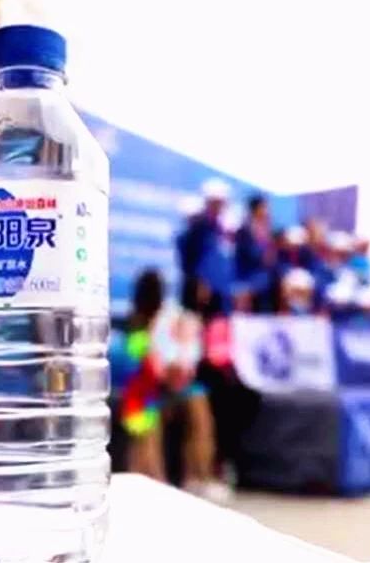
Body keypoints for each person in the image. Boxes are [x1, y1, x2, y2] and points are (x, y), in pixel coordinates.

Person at [119, 270, 229, 501]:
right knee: (146, 416)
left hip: (168, 386)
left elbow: (177, 359)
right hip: (140, 391)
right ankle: (153, 482)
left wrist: (173, 376)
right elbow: (137, 365)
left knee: (199, 405)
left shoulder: (168, 321)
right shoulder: (134, 326)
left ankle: (198, 477)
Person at [177, 179, 234, 318]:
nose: (221, 206)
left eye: (223, 202)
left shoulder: (218, 227)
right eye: (218, 202)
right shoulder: (199, 225)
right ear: (210, 202)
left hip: (217, 291)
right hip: (199, 291)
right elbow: (189, 258)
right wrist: (200, 282)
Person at [233, 195, 276, 312]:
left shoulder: (268, 230)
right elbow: (245, 255)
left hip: (266, 283)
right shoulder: (244, 230)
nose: (267, 211)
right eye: (264, 207)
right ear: (256, 209)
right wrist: (263, 257)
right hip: (249, 284)